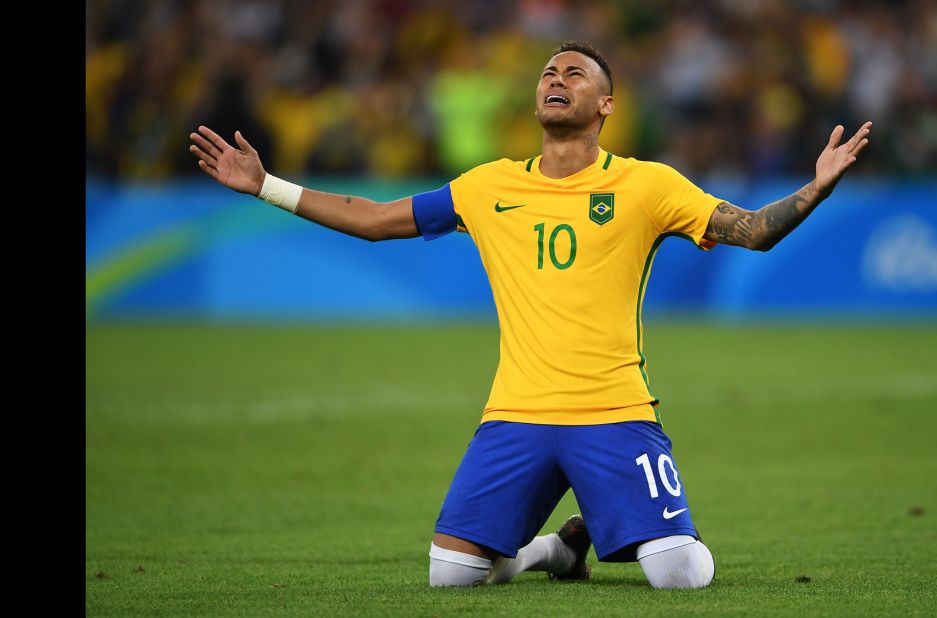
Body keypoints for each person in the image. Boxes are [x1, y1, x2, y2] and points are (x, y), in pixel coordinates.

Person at [189, 41, 871, 589]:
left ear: (605, 104)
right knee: (449, 577)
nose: (556, 77)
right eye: (548, 71)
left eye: (575, 73)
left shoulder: (647, 184)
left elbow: (751, 229)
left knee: (679, 574)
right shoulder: (487, 187)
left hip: (613, 412)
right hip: (514, 414)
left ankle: (610, 532)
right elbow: (372, 219)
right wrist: (266, 186)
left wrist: (813, 188)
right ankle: (556, 549)